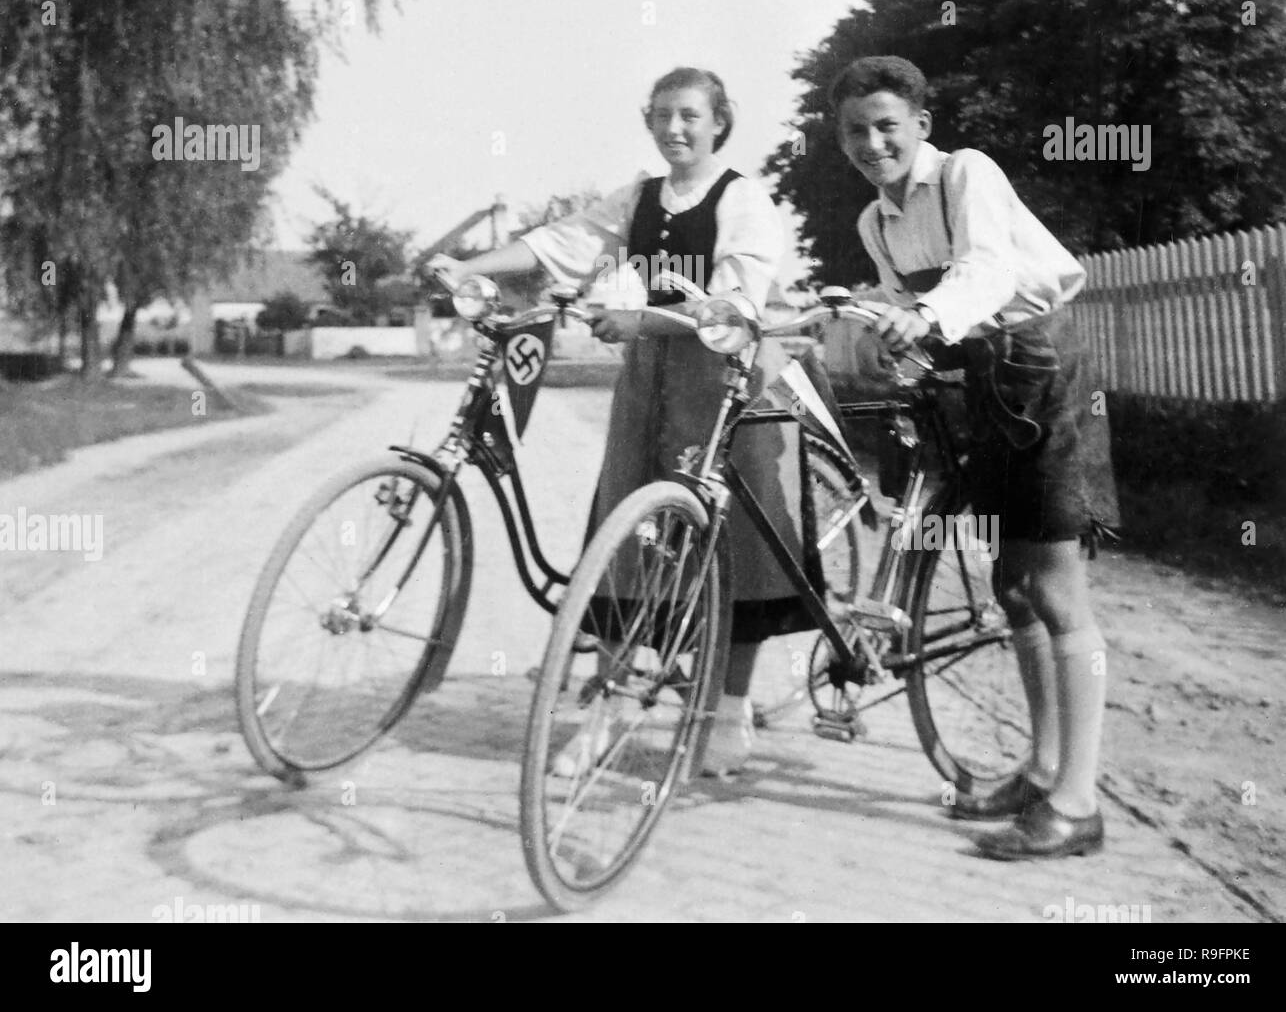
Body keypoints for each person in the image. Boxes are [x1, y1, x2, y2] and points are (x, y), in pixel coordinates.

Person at [438, 67, 817, 776]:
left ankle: (727, 715)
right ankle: (607, 708)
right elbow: (561, 243)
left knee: (735, 546)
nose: (675, 128)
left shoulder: (745, 200)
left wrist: (638, 317)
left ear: (719, 122)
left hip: (728, 380)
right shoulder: (640, 197)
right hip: (651, 383)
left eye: (690, 116)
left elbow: (735, 302)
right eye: (663, 115)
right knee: (623, 539)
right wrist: (470, 264)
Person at [830, 55, 1119, 860]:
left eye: (888, 124)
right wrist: (874, 315)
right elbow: (908, 306)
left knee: (1059, 592)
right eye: (856, 130)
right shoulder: (873, 221)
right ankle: (1041, 768)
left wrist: (925, 314)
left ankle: (1079, 802)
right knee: (1015, 588)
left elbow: (985, 271)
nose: (872, 142)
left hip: (1043, 367)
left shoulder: (966, 174)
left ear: (922, 123)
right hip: (986, 377)